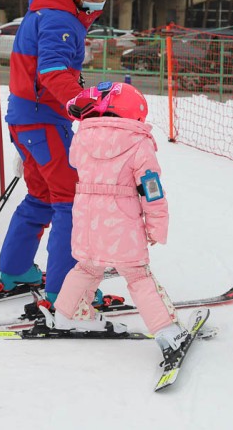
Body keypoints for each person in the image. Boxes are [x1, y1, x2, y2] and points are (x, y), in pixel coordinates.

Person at [0, 0, 123, 304]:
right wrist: (86, 107)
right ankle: (67, 289)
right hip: (43, 121)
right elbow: (52, 72)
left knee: (42, 196)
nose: (102, 1)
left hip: (26, 118)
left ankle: (15, 268)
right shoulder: (60, 19)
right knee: (71, 199)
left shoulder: (52, 7)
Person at [45, 81, 190, 359]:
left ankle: (66, 314)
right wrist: (156, 226)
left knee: (86, 267)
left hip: (87, 219)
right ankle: (168, 333)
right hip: (122, 224)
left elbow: (75, 163)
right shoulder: (139, 143)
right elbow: (152, 189)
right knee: (137, 276)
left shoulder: (82, 138)